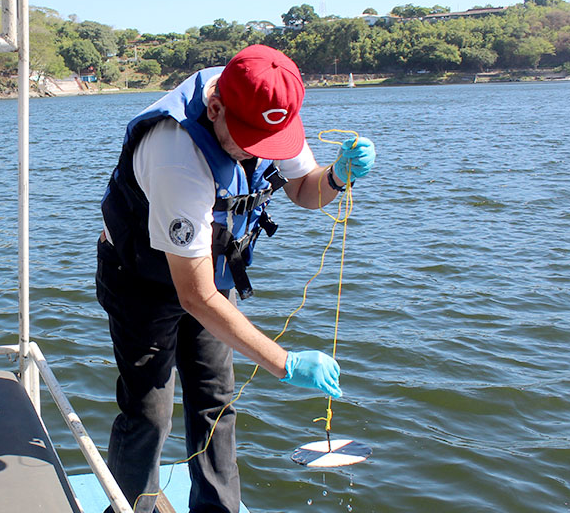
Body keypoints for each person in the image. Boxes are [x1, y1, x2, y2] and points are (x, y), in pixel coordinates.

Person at [96, 44, 376, 513]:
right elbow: (196, 295)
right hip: (141, 281)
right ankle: (129, 508)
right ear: (215, 107)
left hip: (209, 276)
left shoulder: (270, 108)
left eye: (269, 142)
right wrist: (284, 362)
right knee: (149, 413)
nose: (257, 151)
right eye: (248, 139)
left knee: (216, 401)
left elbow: (304, 190)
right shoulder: (175, 154)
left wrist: (336, 177)